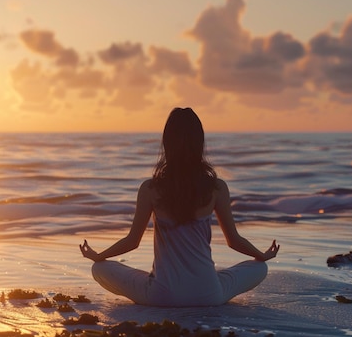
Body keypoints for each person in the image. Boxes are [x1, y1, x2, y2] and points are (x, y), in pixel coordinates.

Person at [79, 107, 279, 307]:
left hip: (161, 297)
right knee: (259, 268)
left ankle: (166, 280)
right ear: (200, 143)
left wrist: (99, 256)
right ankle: (202, 279)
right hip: (209, 295)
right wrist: (262, 255)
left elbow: (132, 241)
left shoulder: (151, 189)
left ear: (167, 143)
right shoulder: (216, 188)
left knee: (99, 269)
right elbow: (234, 241)